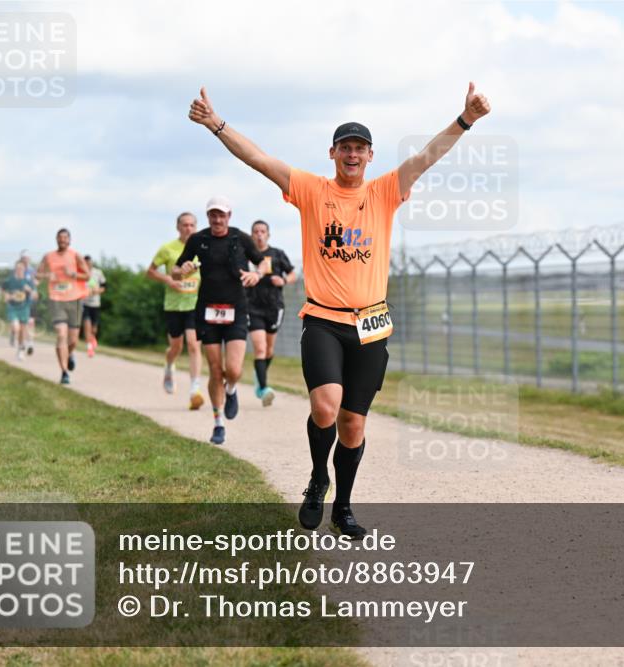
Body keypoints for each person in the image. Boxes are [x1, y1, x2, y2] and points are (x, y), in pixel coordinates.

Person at [188, 82, 491, 537]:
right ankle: (317, 479)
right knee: (326, 408)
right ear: (332, 153)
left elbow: (428, 157)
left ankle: (343, 507)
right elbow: (259, 159)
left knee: (352, 424)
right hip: (324, 319)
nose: (353, 154)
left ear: (370, 156)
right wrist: (217, 124)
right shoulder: (311, 189)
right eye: (345, 147)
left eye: (360, 148)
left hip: (370, 324)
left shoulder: (387, 191)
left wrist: (465, 119)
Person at [171, 198, 263, 444]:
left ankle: (231, 390)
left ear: (229, 216)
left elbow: (262, 260)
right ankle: (218, 422)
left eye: (221, 215)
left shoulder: (240, 238)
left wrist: (257, 273)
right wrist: (183, 270)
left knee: (232, 370)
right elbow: (175, 270)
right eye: (213, 215)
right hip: (208, 312)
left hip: (236, 310)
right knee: (214, 369)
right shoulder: (198, 240)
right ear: (208, 217)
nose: (217, 219)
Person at [147, 212, 205, 409]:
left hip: (195, 303)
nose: (188, 228)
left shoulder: (202, 246)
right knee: (176, 347)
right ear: (178, 227)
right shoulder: (168, 249)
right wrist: (169, 280)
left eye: (192, 225)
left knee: (194, 345)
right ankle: (169, 366)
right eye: (185, 225)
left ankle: (195, 389)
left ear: (196, 227)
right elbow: (151, 271)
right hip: (174, 305)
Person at [246, 219, 296, 406]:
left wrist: (283, 281)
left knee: (268, 349)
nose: (259, 234)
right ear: (252, 235)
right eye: (256, 231)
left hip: (274, 307)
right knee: (259, 348)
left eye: (262, 231)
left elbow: (292, 274)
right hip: (252, 306)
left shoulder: (277, 254)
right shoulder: (247, 255)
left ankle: (259, 377)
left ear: (268, 235)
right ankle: (263, 389)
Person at [37, 228, 89, 384]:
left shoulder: (76, 256)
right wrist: (47, 275)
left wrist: (74, 274)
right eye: (60, 238)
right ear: (56, 239)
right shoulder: (48, 257)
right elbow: (38, 274)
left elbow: (87, 275)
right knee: (61, 334)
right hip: (56, 299)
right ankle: (64, 371)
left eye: (65, 238)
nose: (63, 240)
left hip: (74, 299)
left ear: (70, 240)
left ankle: (70, 354)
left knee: (73, 340)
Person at [1, 260, 37, 360]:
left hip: (24, 308)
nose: (20, 270)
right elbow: (3, 288)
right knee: (16, 328)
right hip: (12, 308)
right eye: (18, 268)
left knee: (22, 330)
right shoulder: (10, 280)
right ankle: (13, 334)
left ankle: (20, 351)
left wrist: (29, 290)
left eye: (21, 268)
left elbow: (35, 295)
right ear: (15, 269)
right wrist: (6, 296)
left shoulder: (28, 282)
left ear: (24, 270)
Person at [81, 256, 107, 357]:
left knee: (94, 329)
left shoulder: (98, 273)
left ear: (91, 263)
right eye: (85, 263)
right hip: (85, 304)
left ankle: (93, 339)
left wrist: (97, 291)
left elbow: (104, 286)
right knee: (87, 326)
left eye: (89, 263)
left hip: (95, 304)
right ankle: (90, 348)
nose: (87, 265)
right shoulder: (81, 273)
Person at [20, 254, 38, 355]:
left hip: (31, 300)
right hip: (21, 301)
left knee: (31, 322)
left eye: (27, 258)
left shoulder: (32, 271)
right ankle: (23, 342)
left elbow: (36, 282)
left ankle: (30, 343)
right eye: (24, 258)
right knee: (23, 323)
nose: (26, 260)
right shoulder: (18, 270)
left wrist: (35, 290)